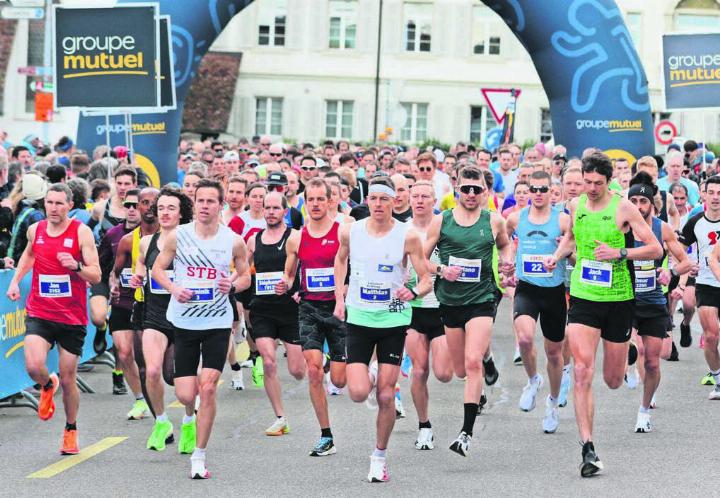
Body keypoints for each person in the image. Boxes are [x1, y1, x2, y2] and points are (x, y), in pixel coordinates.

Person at [544, 152, 663, 477]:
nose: (592, 188)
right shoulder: (576, 205)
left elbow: (656, 248)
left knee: (611, 380)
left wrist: (620, 252)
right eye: (587, 181)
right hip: (584, 295)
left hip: (619, 299)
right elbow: (571, 238)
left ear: (608, 181)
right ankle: (587, 447)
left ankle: (626, 353)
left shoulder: (623, 207)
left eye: (598, 183)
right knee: (582, 370)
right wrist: (556, 256)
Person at [333, 176, 432, 482]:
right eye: (373, 198)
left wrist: (413, 293)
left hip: (393, 318)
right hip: (359, 318)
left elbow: (427, 279)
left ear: (394, 202)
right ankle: (373, 371)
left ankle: (379, 457)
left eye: (384, 199)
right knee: (359, 392)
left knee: (386, 396)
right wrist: (339, 297)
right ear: (368, 202)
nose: (377, 204)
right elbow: (339, 260)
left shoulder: (409, 236)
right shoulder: (351, 231)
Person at [151, 179, 250, 479]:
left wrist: (231, 283)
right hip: (184, 321)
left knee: (207, 388)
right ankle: (188, 418)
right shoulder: (178, 237)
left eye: (210, 201)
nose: (205, 206)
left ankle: (199, 456)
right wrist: (174, 287)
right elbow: (157, 269)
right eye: (200, 201)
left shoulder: (232, 240)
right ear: (193, 204)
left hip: (217, 322)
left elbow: (245, 276)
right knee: (185, 393)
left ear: (220, 205)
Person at [424, 165, 514, 456]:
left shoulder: (494, 221)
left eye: (477, 189)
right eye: (466, 189)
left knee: (471, 361)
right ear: (457, 189)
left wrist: (506, 262)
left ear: (485, 192)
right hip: (450, 301)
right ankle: (486, 362)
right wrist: (440, 270)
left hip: (482, 298)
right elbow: (420, 259)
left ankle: (465, 433)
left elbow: (505, 246)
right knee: (460, 369)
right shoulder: (442, 222)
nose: (472, 194)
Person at [6, 183, 101, 454]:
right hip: (40, 311)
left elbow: (96, 275)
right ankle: (48, 383)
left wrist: (77, 266)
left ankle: (70, 429)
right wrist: (14, 281)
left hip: (71, 317)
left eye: (60, 203)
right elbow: (28, 256)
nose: (54, 208)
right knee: (34, 366)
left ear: (70, 205)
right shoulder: (35, 230)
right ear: (44, 203)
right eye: (50, 202)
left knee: (70, 377)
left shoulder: (80, 233)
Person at [276, 177, 347, 457]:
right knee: (314, 371)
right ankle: (326, 435)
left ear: (330, 201)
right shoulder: (296, 237)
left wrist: (349, 288)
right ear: (305, 202)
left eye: (321, 199)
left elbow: (355, 265)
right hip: (309, 309)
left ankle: (335, 362)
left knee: (340, 381)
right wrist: (284, 283)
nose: (315, 204)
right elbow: (290, 273)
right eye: (311, 199)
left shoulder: (343, 232)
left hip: (338, 309)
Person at [130, 188, 195, 452]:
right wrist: (136, 277)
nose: (165, 213)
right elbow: (140, 266)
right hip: (155, 316)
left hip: (184, 317)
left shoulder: (192, 240)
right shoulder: (147, 242)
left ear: (181, 214)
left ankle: (189, 420)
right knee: (153, 370)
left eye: (171, 208)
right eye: (162, 208)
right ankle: (162, 422)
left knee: (181, 383)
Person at [504, 171, 570, 433]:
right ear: (528, 191)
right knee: (524, 340)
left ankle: (552, 403)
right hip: (527, 289)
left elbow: (574, 249)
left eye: (544, 189)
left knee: (554, 354)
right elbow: (505, 239)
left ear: (552, 192)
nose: (539, 194)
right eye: (535, 189)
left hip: (553, 291)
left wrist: (561, 251)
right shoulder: (515, 218)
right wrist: (509, 260)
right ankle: (533, 380)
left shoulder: (563, 220)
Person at [626, 174, 692, 431]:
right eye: (633, 200)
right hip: (626, 299)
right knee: (635, 349)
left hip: (654, 300)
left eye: (643, 201)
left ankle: (644, 411)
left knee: (655, 358)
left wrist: (672, 273)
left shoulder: (662, 228)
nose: (638, 205)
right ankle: (628, 364)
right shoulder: (620, 228)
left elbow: (685, 261)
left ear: (653, 205)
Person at [246, 192, 306, 435]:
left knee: (297, 371)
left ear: (284, 212)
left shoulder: (295, 238)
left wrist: (296, 288)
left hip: (289, 310)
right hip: (262, 309)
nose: (270, 212)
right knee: (269, 362)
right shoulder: (253, 240)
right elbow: (240, 268)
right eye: (267, 208)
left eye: (275, 208)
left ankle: (319, 361)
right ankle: (280, 417)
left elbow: (305, 268)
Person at [404, 180, 453, 450]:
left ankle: (475, 362)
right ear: (410, 200)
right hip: (413, 309)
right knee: (419, 369)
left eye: (425, 196)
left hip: (442, 306)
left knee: (444, 373)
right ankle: (424, 426)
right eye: (416, 196)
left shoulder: (445, 228)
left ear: (435, 201)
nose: (420, 200)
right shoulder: (402, 230)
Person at [103, 188, 151, 416]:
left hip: (152, 305)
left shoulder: (167, 237)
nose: (133, 209)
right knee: (124, 353)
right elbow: (112, 271)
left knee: (151, 361)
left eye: (138, 204)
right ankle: (140, 399)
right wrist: (112, 285)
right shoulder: (120, 238)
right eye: (129, 205)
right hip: (123, 302)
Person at [687, 176, 720, 400]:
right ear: (704, 194)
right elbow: (677, 247)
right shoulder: (696, 221)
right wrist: (686, 265)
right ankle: (718, 381)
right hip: (707, 283)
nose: (716, 197)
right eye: (712, 193)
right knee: (711, 336)